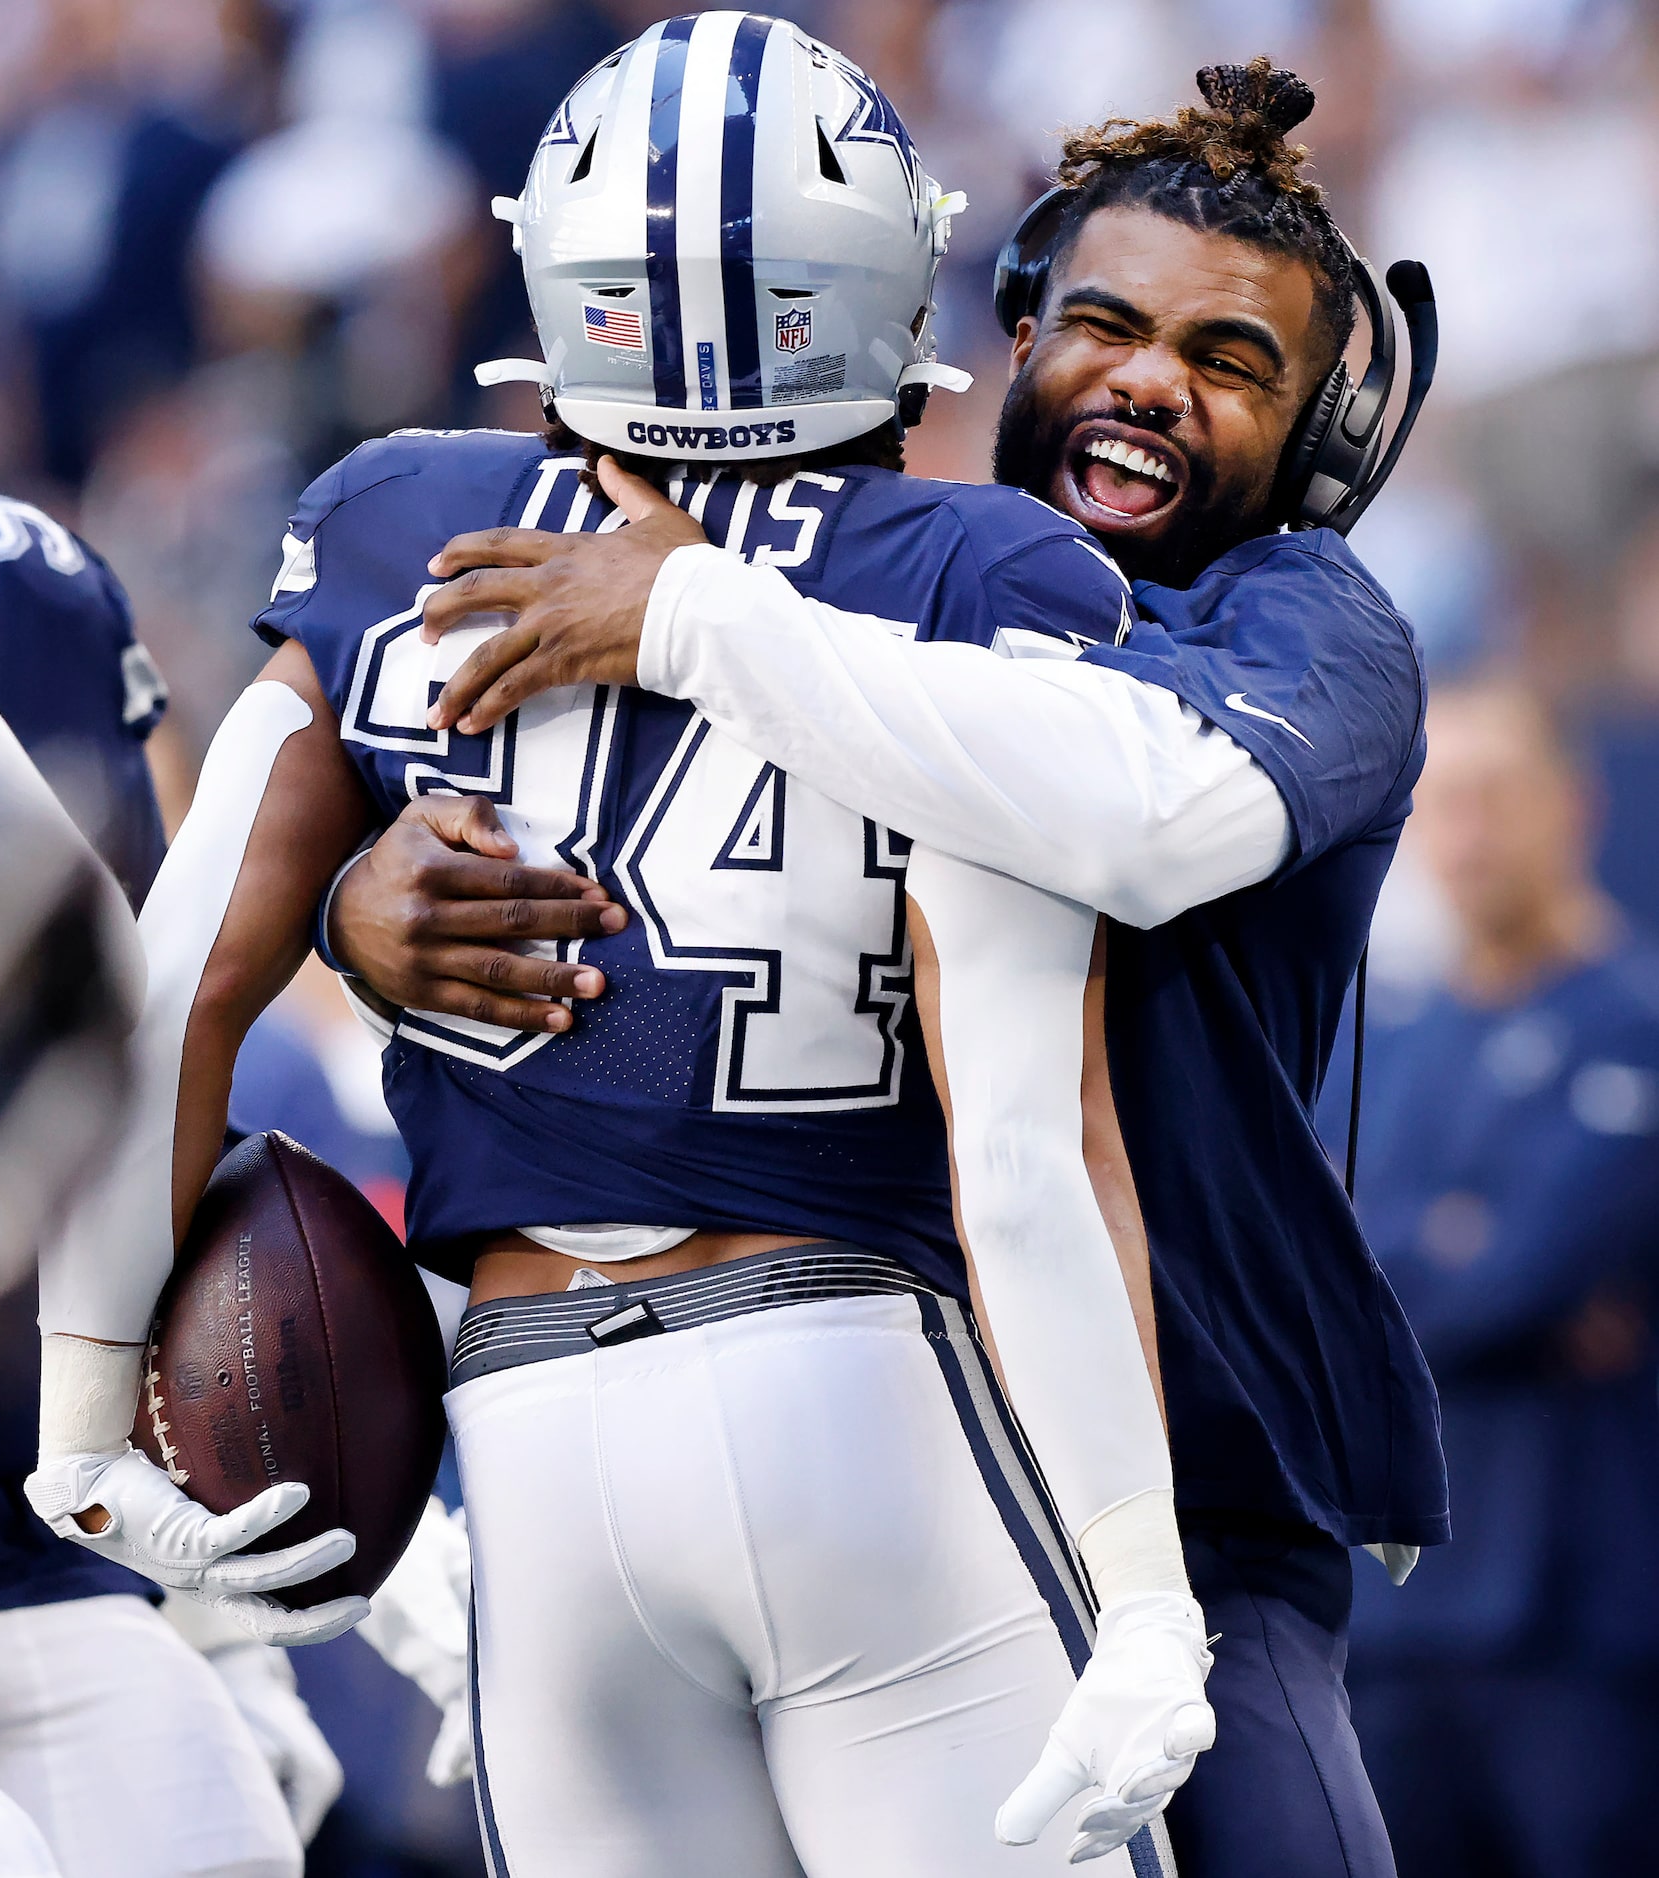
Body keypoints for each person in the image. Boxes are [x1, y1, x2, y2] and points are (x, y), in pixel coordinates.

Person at [21, 17, 1228, 1877]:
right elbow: (1025, 1142)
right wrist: (1143, 1587)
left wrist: (86, 1405)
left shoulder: (398, 519)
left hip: (538, 1434)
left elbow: (170, 990)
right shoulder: (981, 572)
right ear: (880, 267)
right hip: (856, 1394)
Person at [338, 53, 1445, 1878]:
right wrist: (369, 914)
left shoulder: (1309, 620)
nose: (1150, 378)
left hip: (1189, 1494)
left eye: (1230, 361)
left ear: (1325, 433)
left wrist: (701, 619)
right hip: (856, 1448)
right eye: (1104, 324)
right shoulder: (885, 573)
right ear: (1008, 337)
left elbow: (1135, 804)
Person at [0, 494, 340, 1876]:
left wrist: (227, 1640)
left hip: (32, 1552)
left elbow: (125, 1002)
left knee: (213, 1841)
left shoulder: (25, 588)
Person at [1334, 683, 1659, 1878]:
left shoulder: (1631, 1026)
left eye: (1493, 799)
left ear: (1571, 807)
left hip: (1577, 1634)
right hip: (1389, 1633)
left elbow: (1516, 1279)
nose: (1463, 835)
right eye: (1440, 806)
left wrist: (1392, 1261)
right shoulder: (1380, 1043)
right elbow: (1297, 1287)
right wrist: (1445, 1252)